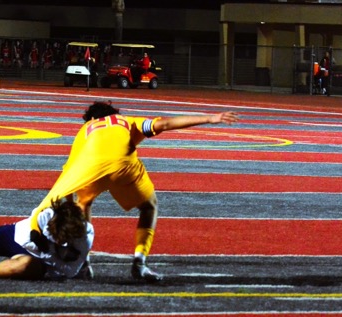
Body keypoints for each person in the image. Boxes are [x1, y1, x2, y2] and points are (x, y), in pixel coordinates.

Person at [31, 101, 238, 282]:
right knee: (149, 207)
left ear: (92, 118)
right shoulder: (125, 121)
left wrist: (69, 204)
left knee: (83, 205)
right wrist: (211, 118)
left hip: (89, 168)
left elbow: (71, 168)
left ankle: (83, 262)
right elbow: (164, 124)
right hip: (123, 165)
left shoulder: (85, 129)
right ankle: (139, 263)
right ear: (114, 113)